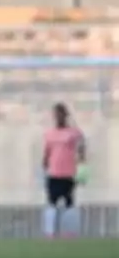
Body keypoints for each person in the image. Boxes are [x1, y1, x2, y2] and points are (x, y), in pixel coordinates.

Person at [42, 102, 87, 238]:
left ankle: (70, 233)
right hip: (53, 173)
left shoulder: (74, 133)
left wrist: (82, 170)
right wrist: (44, 169)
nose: (58, 117)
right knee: (51, 203)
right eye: (56, 114)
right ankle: (50, 233)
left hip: (68, 173)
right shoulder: (49, 134)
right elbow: (46, 154)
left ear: (65, 115)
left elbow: (82, 149)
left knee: (69, 203)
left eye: (60, 114)